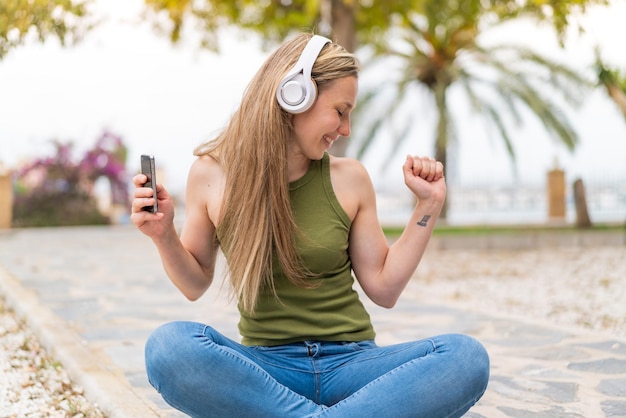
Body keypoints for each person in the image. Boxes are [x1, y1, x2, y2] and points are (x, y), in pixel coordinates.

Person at [131, 32, 489, 418]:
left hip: (353, 367)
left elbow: (384, 288)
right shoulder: (211, 174)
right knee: (168, 347)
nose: (346, 128)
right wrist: (164, 234)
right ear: (294, 94)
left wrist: (429, 204)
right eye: (341, 110)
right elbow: (194, 283)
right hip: (266, 370)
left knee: (465, 357)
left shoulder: (350, 178)